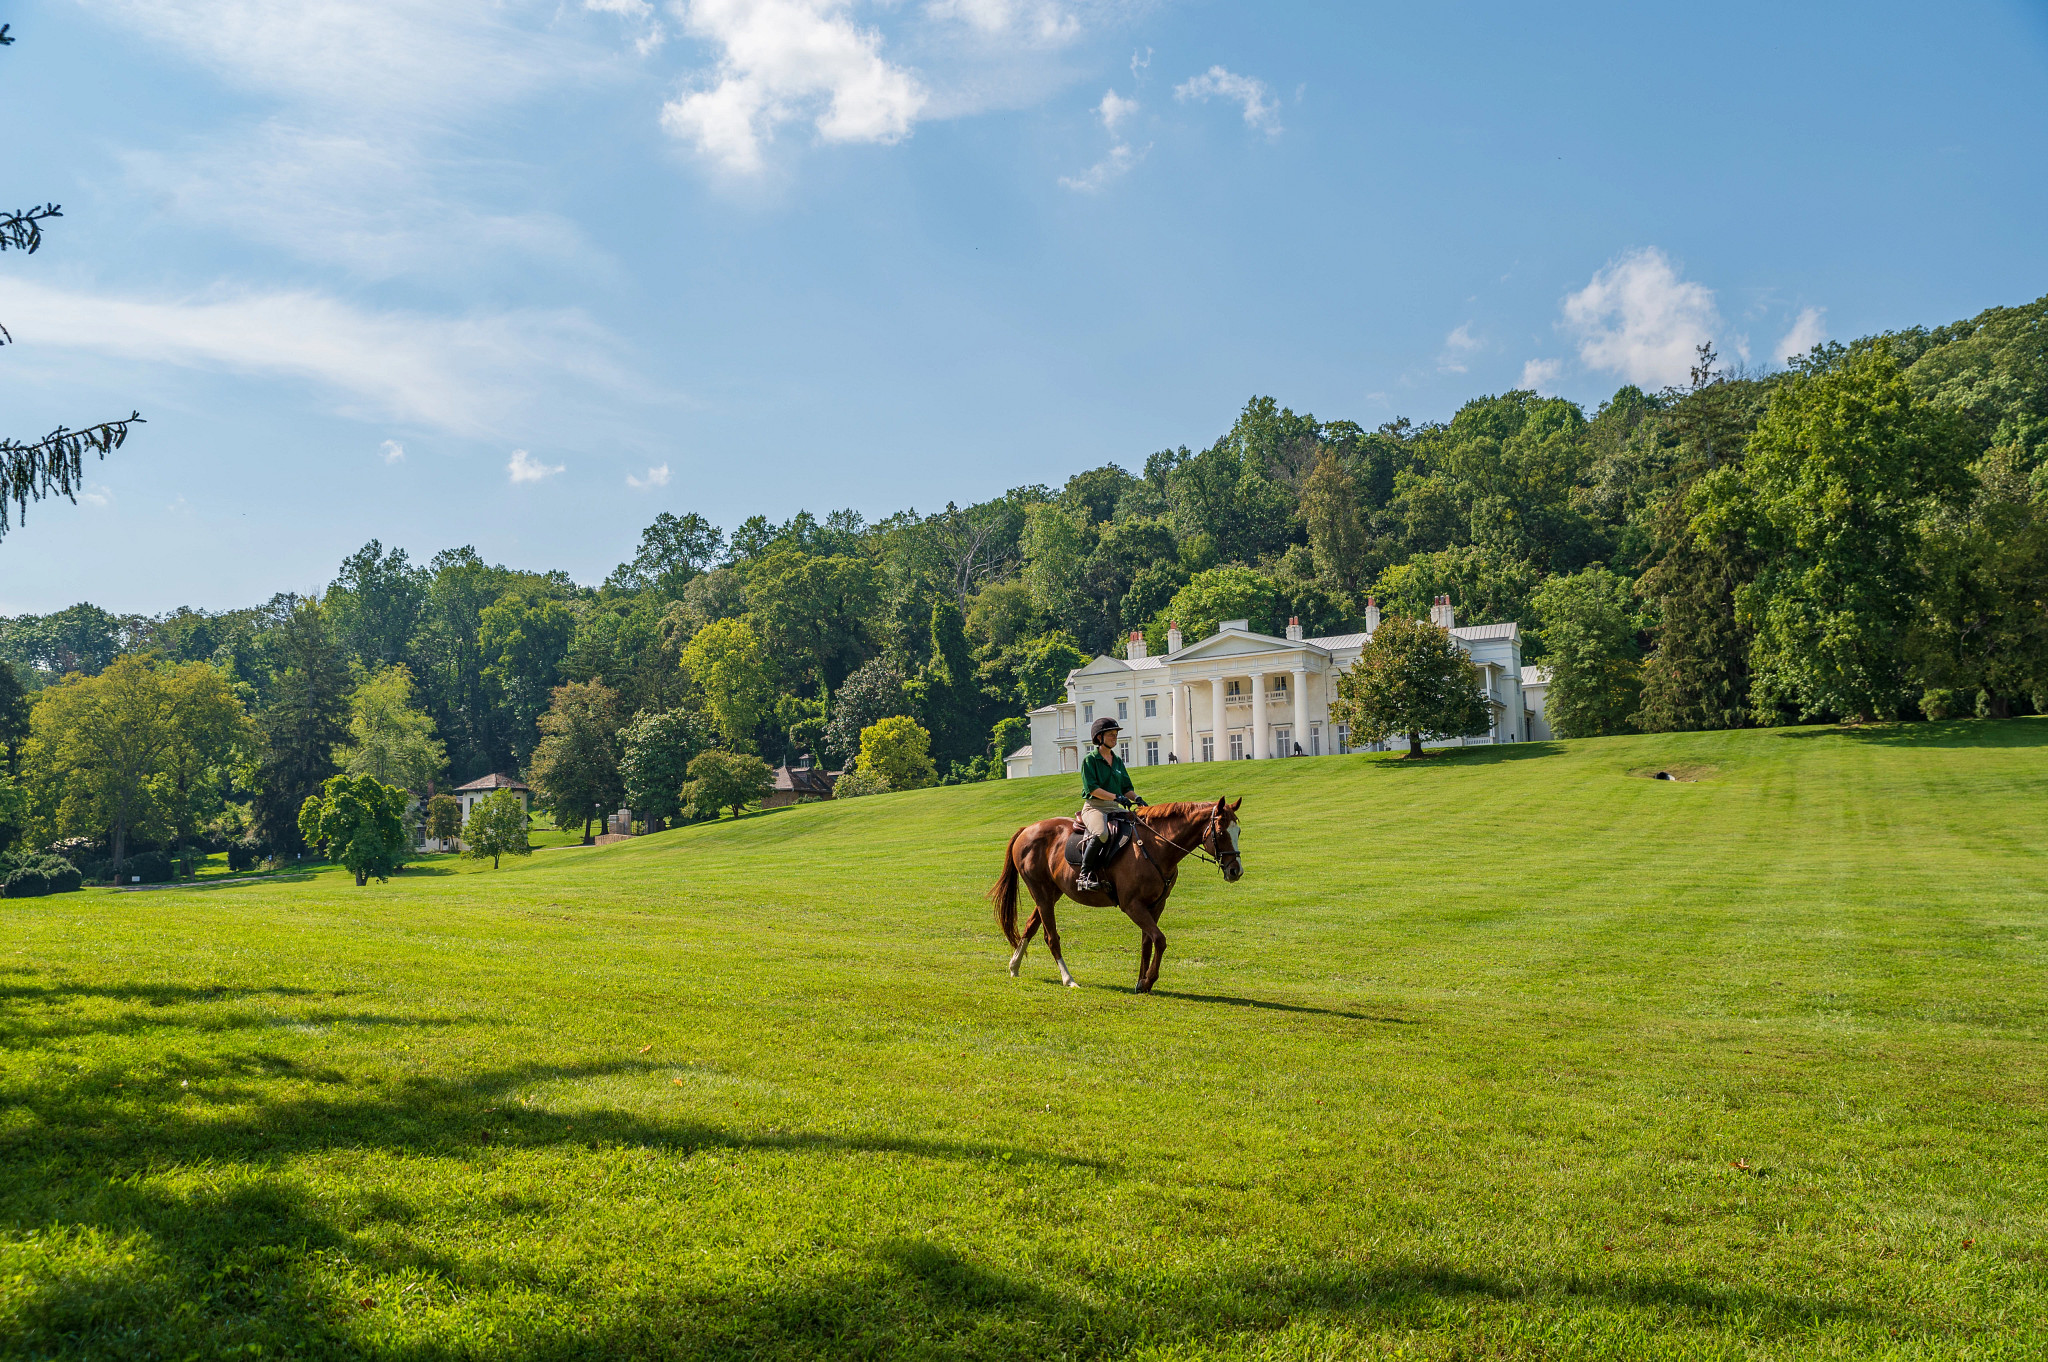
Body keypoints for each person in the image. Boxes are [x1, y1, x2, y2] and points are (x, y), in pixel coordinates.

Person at [1075, 716, 1141, 890]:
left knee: (1140, 826)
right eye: (1111, 734)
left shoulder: (1117, 761)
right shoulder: (1090, 760)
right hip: (1095, 807)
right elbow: (1093, 789)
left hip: (1114, 807)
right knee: (1101, 833)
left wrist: (1137, 798)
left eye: (1115, 734)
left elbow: (1126, 787)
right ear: (1099, 738)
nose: (1114, 737)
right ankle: (1084, 876)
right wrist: (1115, 797)